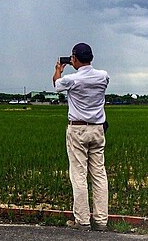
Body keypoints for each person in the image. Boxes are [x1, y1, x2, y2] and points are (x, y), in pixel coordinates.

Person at [52, 42, 109, 232]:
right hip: (98, 130)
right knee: (99, 174)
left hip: (77, 130)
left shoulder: (72, 80)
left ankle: (82, 221)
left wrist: (58, 69)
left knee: (79, 175)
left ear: (74, 58)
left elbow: (56, 84)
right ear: (91, 58)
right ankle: (101, 221)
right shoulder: (103, 76)